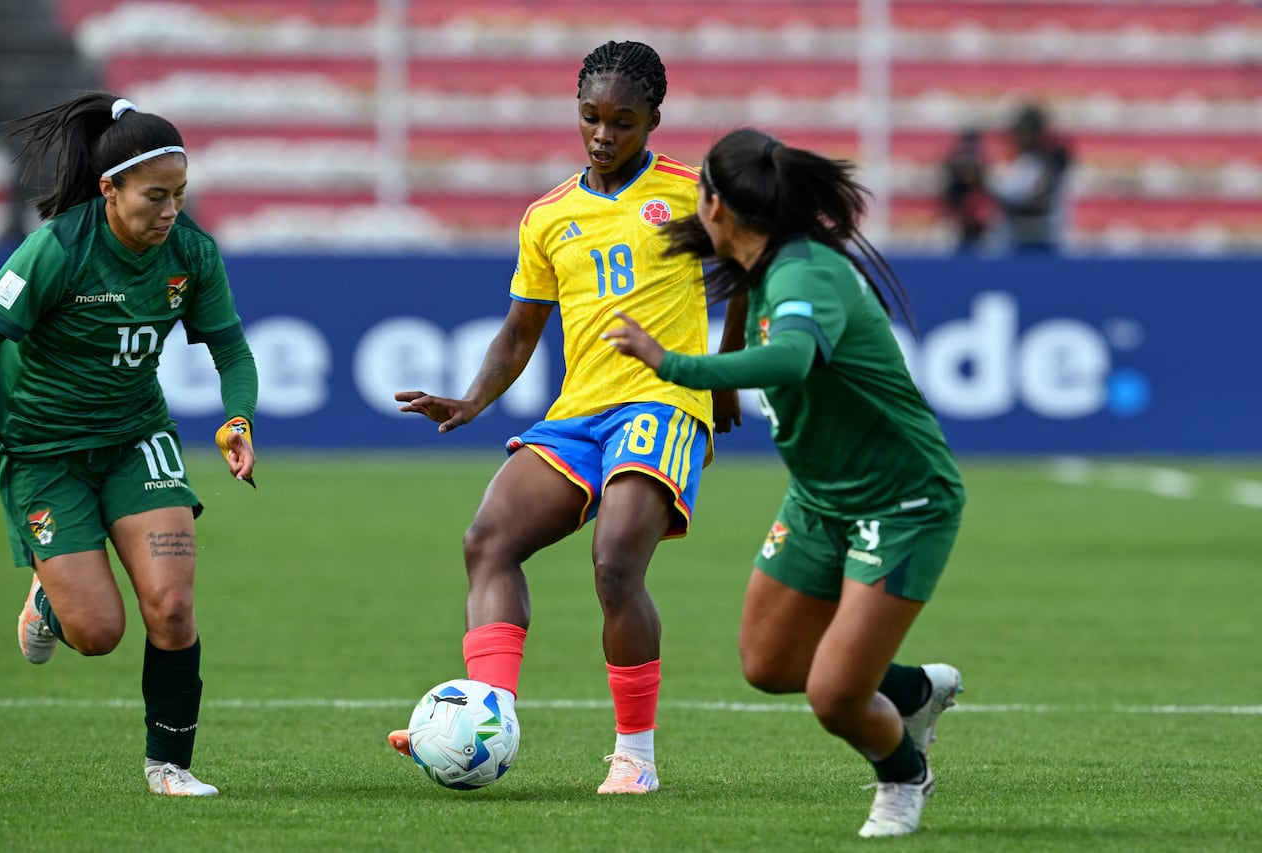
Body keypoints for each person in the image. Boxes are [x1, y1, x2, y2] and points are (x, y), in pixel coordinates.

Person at [386, 40, 742, 795]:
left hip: (663, 403)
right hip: (579, 412)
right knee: (488, 540)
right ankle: (483, 718)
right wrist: (472, 399)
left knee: (615, 564)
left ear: (653, 119)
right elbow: (521, 330)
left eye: (622, 121)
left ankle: (635, 757)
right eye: (591, 117)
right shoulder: (549, 215)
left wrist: (726, 375)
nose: (603, 134)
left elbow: (750, 264)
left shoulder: (690, 192)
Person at [602, 127, 966, 837]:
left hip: (902, 502)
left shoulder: (804, 274)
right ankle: (915, 689)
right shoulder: (760, 263)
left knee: (833, 694)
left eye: (699, 188)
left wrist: (675, 364)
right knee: (770, 662)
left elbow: (794, 357)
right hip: (821, 497)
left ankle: (902, 774)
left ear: (718, 205)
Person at [0, 92, 259, 796]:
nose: (170, 212)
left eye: (181, 195)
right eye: (155, 197)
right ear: (109, 190)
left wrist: (238, 419)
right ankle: (50, 593)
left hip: (137, 437)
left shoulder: (191, 252)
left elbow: (232, 352)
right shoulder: (59, 248)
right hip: (43, 451)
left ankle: (170, 764)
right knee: (98, 631)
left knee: (170, 605)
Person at [988, 102, 1072, 253]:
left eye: (1024, 132)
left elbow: (1037, 200)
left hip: (1043, 238)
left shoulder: (1051, 162)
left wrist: (1002, 199)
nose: (1018, 138)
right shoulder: (1020, 162)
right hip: (1014, 238)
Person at [939, 127, 992, 252]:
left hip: (979, 237)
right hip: (958, 237)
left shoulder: (983, 191)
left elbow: (987, 216)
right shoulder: (953, 191)